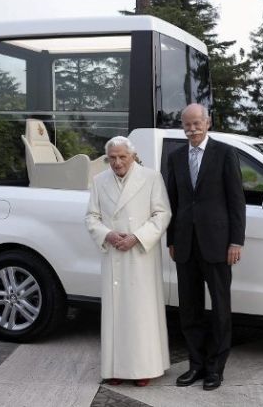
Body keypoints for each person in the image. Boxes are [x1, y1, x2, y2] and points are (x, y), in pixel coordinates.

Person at [166, 103, 246, 391]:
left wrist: (236, 241)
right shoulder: (175, 157)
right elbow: (171, 203)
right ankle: (196, 365)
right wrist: (171, 239)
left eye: (197, 123)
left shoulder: (225, 153)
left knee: (221, 309)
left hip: (218, 245)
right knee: (189, 309)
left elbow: (237, 201)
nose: (192, 129)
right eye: (187, 124)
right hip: (185, 245)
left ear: (208, 122)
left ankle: (216, 368)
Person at [85, 136, 172, 387]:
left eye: (122, 156)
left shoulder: (151, 177)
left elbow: (162, 213)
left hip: (140, 254)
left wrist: (138, 237)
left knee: (140, 314)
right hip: (114, 253)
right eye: (112, 158)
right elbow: (91, 216)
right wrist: (108, 235)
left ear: (132, 156)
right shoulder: (99, 181)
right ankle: (114, 368)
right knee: (115, 314)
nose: (117, 162)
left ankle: (143, 367)